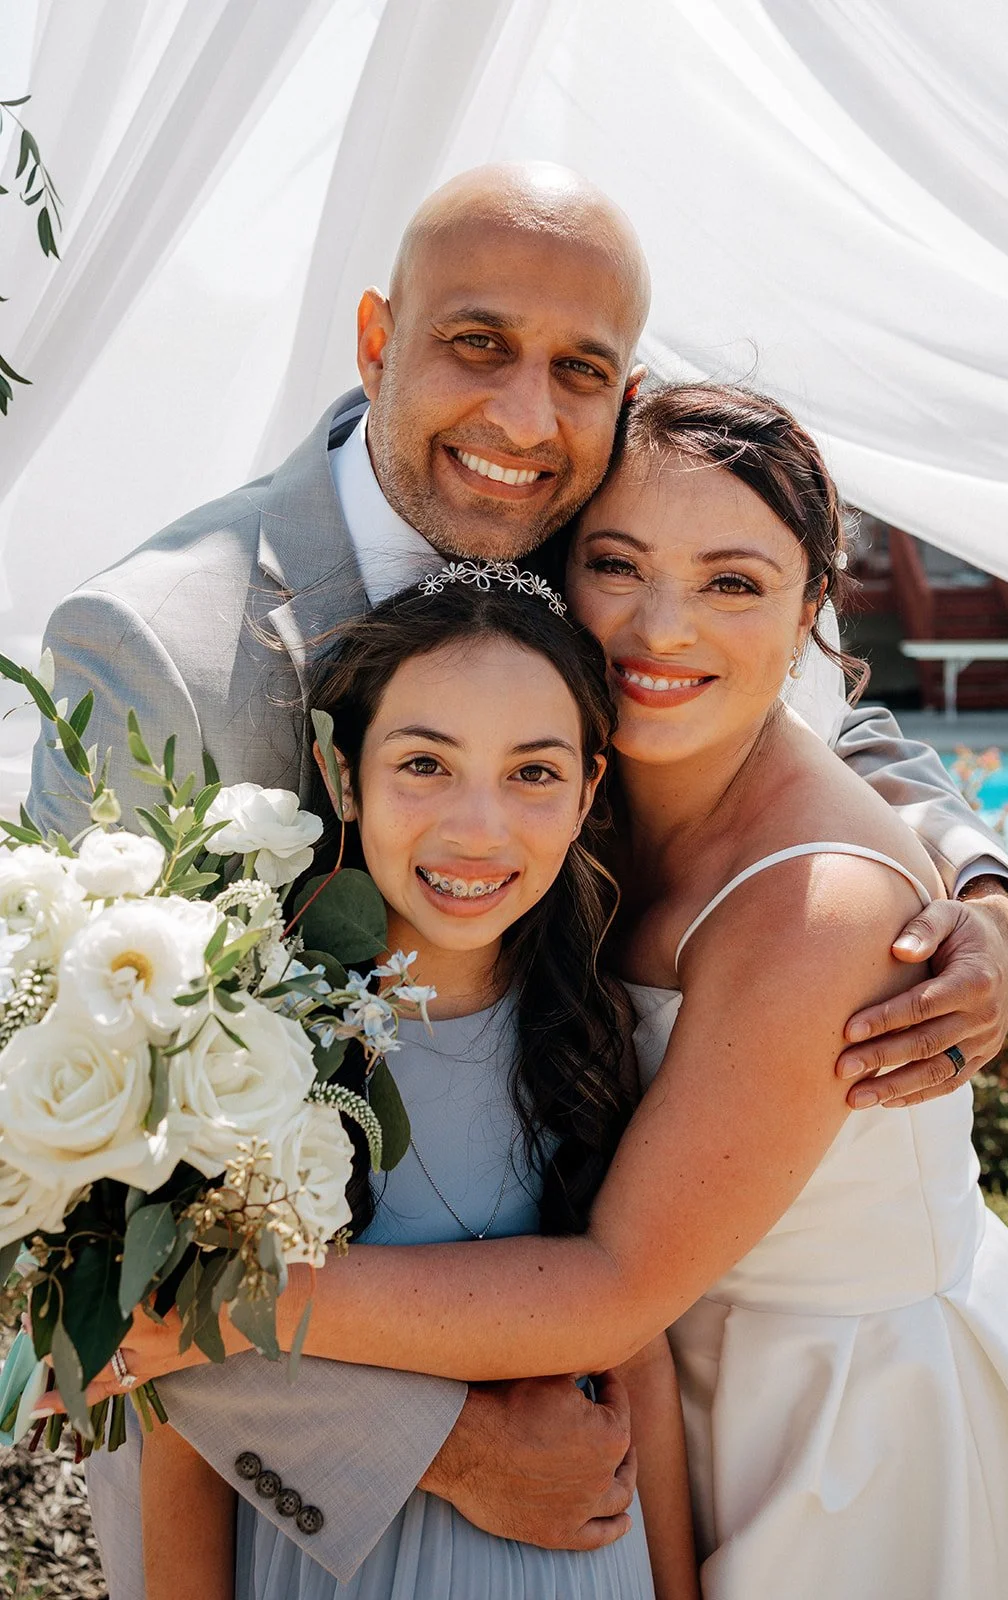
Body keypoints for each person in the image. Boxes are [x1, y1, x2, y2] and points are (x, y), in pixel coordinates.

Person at [30, 164, 1008, 1591]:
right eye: (474, 344)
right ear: (377, 339)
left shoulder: (580, 528)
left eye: (578, 370)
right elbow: (60, 1187)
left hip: (703, 1418)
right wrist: (437, 1443)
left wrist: (988, 896)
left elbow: (818, 707)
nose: (521, 416)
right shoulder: (155, 648)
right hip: (298, 1491)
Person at [141, 576, 688, 1600]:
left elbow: (638, 1354)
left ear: (586, 789)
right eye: (425, 763)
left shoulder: (588, 1036)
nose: (477, 827)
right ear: (339, 773)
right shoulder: (245, 1048)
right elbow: (180, 1401)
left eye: (531, 770)